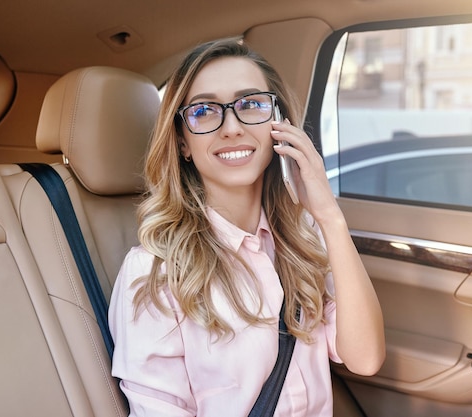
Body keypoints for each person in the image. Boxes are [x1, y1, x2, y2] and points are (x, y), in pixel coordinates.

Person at [109, 38, 385, 417]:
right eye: (204, 111)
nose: (232, 127)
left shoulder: (304, 237)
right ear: (182, 141)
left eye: (251, 104)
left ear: (279, 124)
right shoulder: (154, 272)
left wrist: (330, 217)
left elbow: (366, 358)